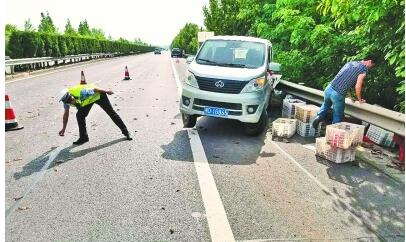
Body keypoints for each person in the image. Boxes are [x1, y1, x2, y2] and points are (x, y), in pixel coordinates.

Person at [312, 55, 377, 128]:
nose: (370, 67)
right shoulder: (363, 70)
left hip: (329, 88)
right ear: (369, 61)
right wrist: (359, 99)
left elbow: (346, 81)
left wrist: (351, 96)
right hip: (337, 94)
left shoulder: (351, 63)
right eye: (372, 66)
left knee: (326, 105)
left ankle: (318, 117)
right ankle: (334, 132)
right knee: (337, 115)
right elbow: (358, 86)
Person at [58, 83, 132, 145]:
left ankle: (126, 132)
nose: (71, 101)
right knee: (79, 116)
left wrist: (106, 91)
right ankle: (83, 138)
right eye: (69, 101)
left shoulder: (82, 92)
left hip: (99, 96)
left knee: (111, 113)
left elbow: (95, 89)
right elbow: (66, 115)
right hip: (87, 101)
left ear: (71, 95)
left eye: (71, 99)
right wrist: (64, 128)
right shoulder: (66, 102)